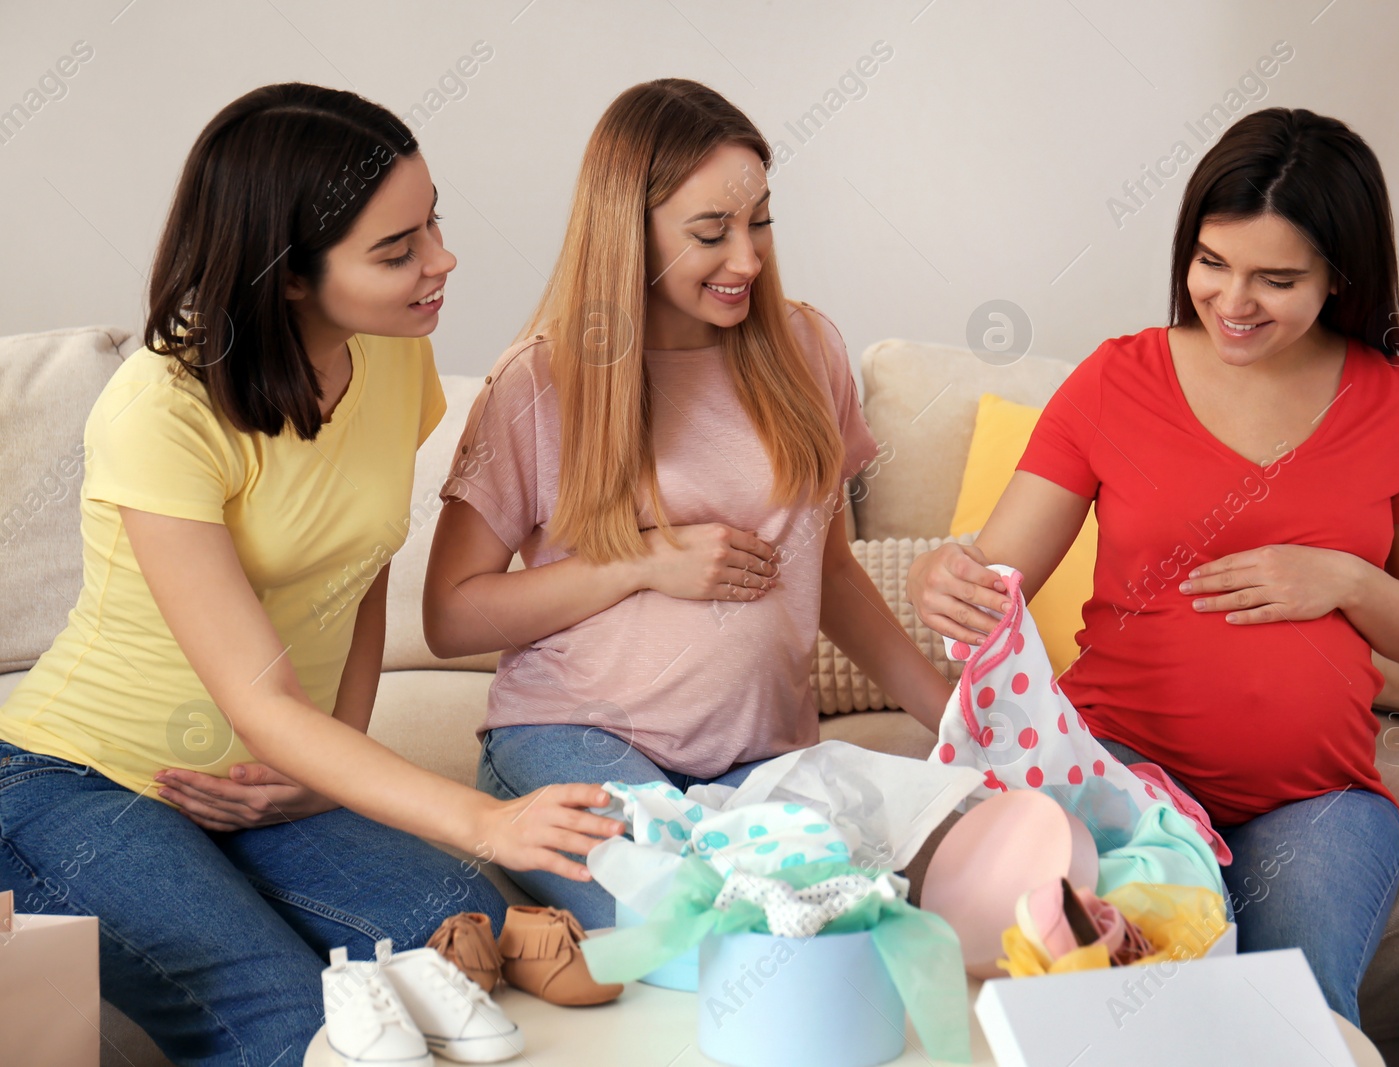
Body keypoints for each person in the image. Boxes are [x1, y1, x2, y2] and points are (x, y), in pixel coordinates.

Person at [0, 83, 622, 1064]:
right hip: (75, 781)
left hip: (259, 777)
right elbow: (257, 697)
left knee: (458, 927)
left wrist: (325, 759)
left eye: (433, 225)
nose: (442, 262)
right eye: (397, 249)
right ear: (288, 275)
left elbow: (359, 567)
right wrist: (486, 817)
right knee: (293, 1023)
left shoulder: (392, 354)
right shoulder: (161, 409)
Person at [908, 107, 1399, 1024]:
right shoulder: (1114, 381)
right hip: (1125, 772)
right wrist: (947, 576)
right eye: (1211, 263)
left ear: (1340, 276)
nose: (1233, 301)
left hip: (1315, 801)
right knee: (1114, 1011)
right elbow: (993, 571)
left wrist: (1347, 581)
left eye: (1276, 278)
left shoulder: (1398, 405)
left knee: (1298, 1020)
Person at [424, 78, 953, 929]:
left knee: (843, 909)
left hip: (758, 758)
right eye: (711, 233)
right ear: (629, 233)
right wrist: (642, 562)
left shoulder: (808, 350)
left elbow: (832, 570)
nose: (746, 259)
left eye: (761, 222)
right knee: (701, 915)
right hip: (574, 737)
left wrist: (955, 716)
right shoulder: (540, 383)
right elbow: (450, 615)